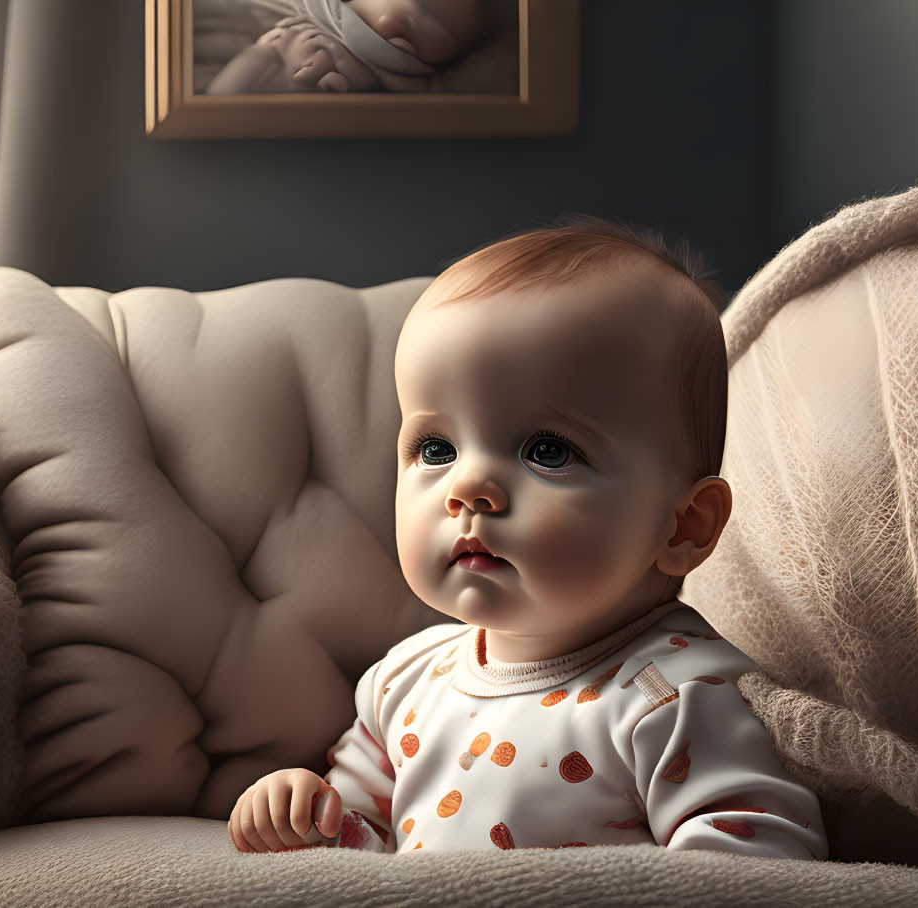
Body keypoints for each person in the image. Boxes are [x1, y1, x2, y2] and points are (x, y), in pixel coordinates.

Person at [228, 215, 829, 857]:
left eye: (546, 450)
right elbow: (363, 841)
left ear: (683, 526)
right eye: (436, 447)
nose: (469, 487)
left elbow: (762, 864)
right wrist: (307, 814)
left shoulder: (677, 694)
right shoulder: (402, 682)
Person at [204, 0, 499, 95]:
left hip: (316, 71)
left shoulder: (405, 70)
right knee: (246, 72)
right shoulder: (322, 12)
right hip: (286, 46)